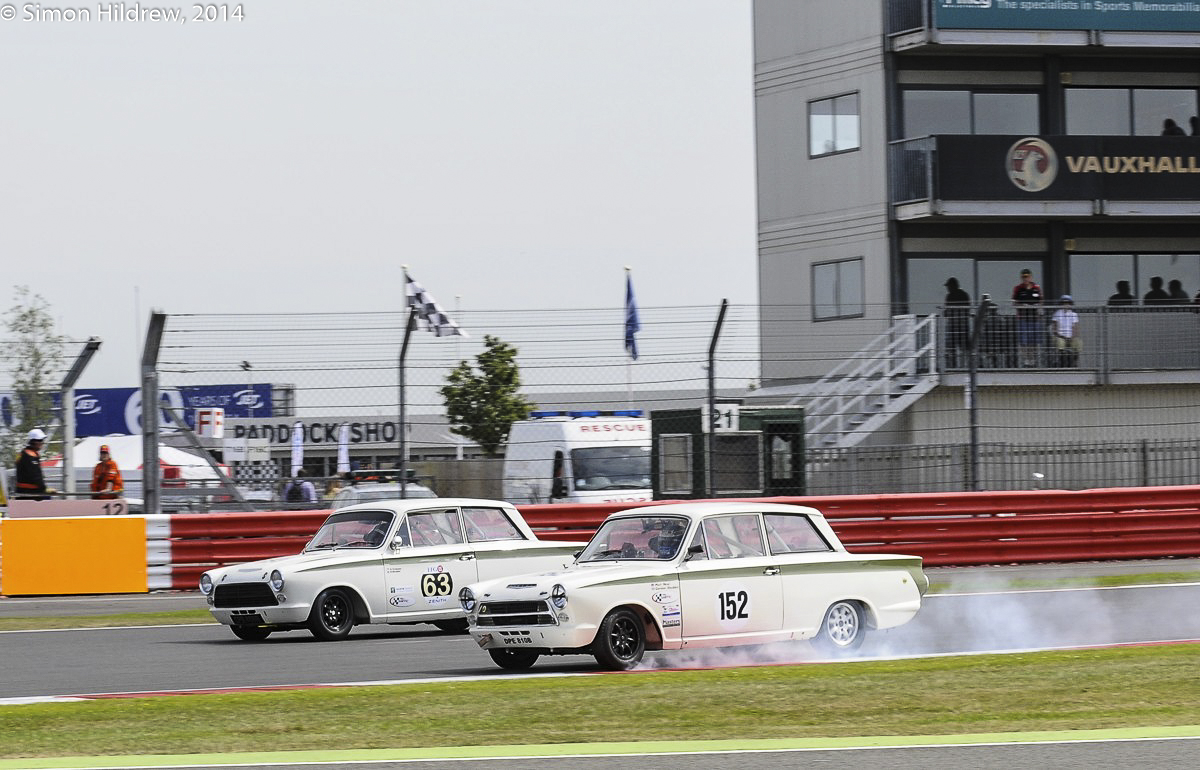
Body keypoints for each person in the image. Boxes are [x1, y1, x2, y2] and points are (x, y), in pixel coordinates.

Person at [1012, 268, 1043, 367]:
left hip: (1034, 318)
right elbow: (1014, 301)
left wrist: (1037, 306)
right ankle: (1025, 360)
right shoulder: (1018, 288)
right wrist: (1022, 305)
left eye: (1027, 276)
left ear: (1031, 277)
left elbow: (1041, 300)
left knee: (1033, 341)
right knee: (1023, 341)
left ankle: (1033, 360)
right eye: (1024, 277)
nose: (1026, 279)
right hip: (1023, 318)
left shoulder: (1036, 287)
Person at [15, 428, 53, 500]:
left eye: (42, 441)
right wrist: (44, 489)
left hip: (24, 492)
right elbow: (35, 476)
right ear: (33, 442)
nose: (42, 443)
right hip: (30, 493)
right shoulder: (29, 455)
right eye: (40, 441)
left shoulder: (24, 453)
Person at [943, 277, 971, 368]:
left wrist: (948, 313)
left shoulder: (949, 296)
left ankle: (952, 366)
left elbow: (947, 311)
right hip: (963, 325)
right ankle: (965, 366)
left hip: (953, 325)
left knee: (952, 347)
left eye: (948, 286)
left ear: (953, 286)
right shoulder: (965, 295)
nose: (947, 288)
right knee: (964, 347)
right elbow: (967, 310)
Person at [1050, 295, 1082, 368]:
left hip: (1071, 337)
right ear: (1061, 304)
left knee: (1078, 342)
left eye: (1068, 303)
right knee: (1060, 342)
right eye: (1064, 303)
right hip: (1060, 336)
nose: (1066, 305)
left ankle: (1074, 362)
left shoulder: (1074, 314)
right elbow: (1054, 329)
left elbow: (1076, 328)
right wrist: (1062, 336)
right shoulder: (1057, 314)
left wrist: (1072, 336)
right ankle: (1062, 363)